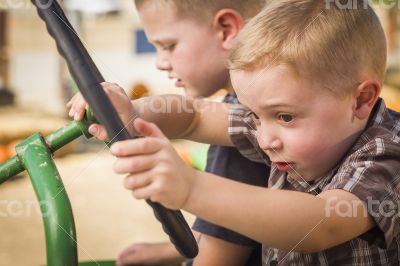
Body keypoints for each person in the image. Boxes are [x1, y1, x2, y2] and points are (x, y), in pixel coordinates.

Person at [69, 0, 400, 264]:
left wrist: (191, 187)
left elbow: (323, 224)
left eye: (285, 116)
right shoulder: (275, 128)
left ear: (361, 100)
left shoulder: (384, 151)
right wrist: (132, 110)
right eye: (255, 116)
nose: (264, 139)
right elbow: (195, 117)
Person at [69, 0, 268, 265]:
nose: (161, 63)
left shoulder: (239, 142)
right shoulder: (250, 112)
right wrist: (167, 251)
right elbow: (192, 115)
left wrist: (134, 110)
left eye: (169, 46)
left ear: (226, 29)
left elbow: (220, 253)